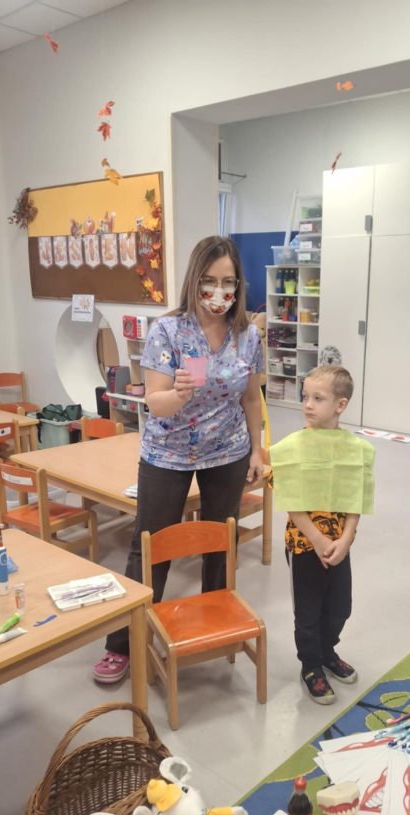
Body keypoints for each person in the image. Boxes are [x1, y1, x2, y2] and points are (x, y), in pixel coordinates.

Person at [93, 235, 264, 683]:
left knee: (219, 540)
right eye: (209, 280)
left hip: (227, 450)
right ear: (194, 281)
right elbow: (155, 402)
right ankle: (123, 644)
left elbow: (251, 397)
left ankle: (213, 625)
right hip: (168, 451)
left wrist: (257, 448)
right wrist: (178, 393)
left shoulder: (248, 334)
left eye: (228, 282)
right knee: (149, 545)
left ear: (238, 285)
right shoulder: (168, 331)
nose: (219, 291)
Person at [269, 365, 375, 704]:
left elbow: (356, 497)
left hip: (339, 545)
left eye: (318, 398)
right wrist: (317, 539)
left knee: (340, 606)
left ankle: (327, 651)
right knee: (308, 612)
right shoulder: (293, 448)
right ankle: (311, 665)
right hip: (304, 545)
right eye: (305, 397)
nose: (307, 404)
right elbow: (291, 501)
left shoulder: (354, 450)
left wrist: (346, 538)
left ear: (340, 405)